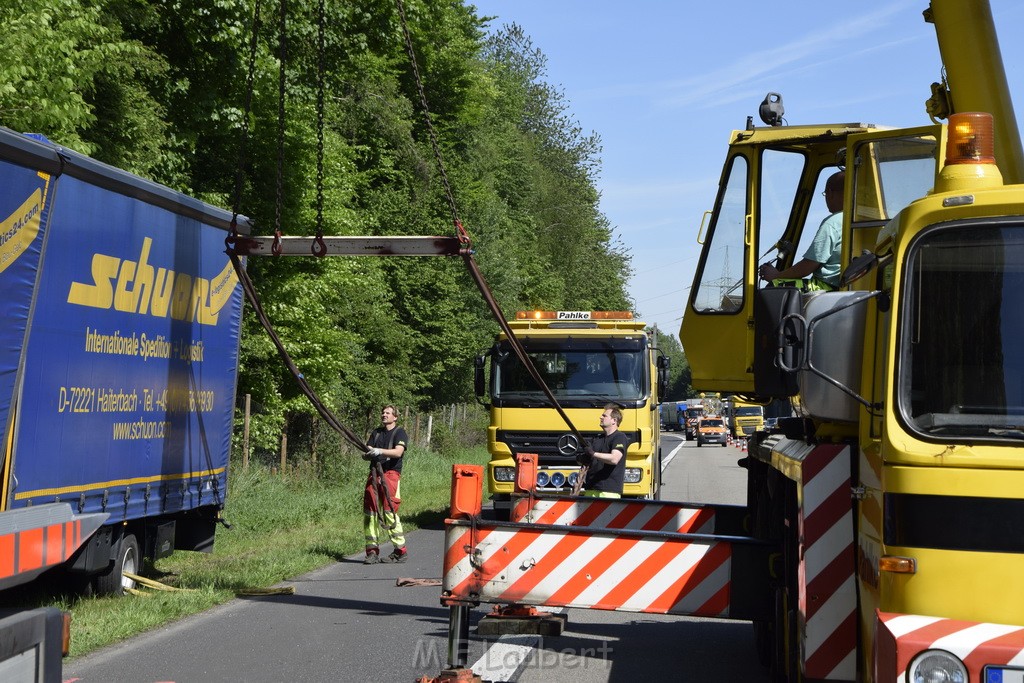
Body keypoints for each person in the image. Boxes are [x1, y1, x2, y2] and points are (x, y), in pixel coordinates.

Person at [758, 170, 845, 291]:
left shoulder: (833, 223)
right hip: (843, 288)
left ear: (830, 193)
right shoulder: (856, 221)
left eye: (825, 194)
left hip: (826, 287)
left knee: (774, 288)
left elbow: (808, 266)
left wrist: (776, 276)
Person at [362, 405, 408, 564]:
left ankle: (400, 551)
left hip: (391, 475)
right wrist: (367, 453)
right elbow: (368, 448)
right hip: (374, 475)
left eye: (387, 413)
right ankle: (372, 552)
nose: (384, 415)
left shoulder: (399, 433)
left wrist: (379, 451)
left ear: (395, 417)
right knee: (370, 513)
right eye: (382, 412)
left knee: (389, 512)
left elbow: (398, 452)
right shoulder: (376, 432)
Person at [576, 404, 632, 498]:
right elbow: (588, 459)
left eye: (604, 416)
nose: (600, 417)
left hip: (609, 491)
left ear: (614, 421)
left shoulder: (619, 437)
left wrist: (593, 454)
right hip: (591, 489)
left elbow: (614, 459)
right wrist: (581, 458)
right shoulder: (597, 439)